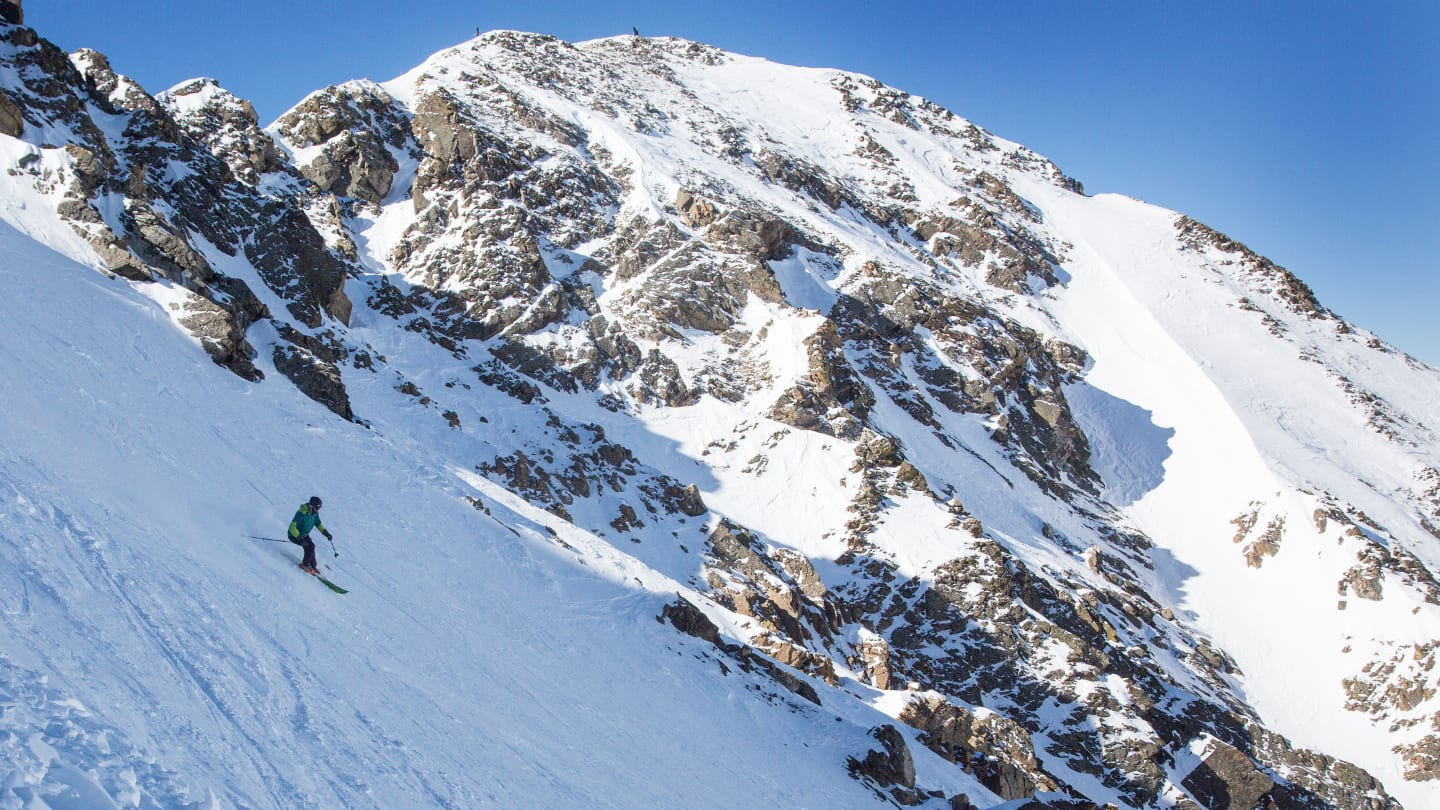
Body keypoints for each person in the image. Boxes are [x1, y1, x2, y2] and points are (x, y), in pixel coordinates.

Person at [288, 496, 333, 574]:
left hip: (304, 534)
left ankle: (313, 566)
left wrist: (326, 533)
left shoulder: (315, 514)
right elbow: (292, 527)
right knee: (309, 547)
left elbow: (318, 524)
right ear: (311, 506)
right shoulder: (301, 513)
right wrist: (299, 537)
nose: (318, 510)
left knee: (312, 546)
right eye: (317, 508)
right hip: (294, 535)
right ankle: (305, 565)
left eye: (319, 508)